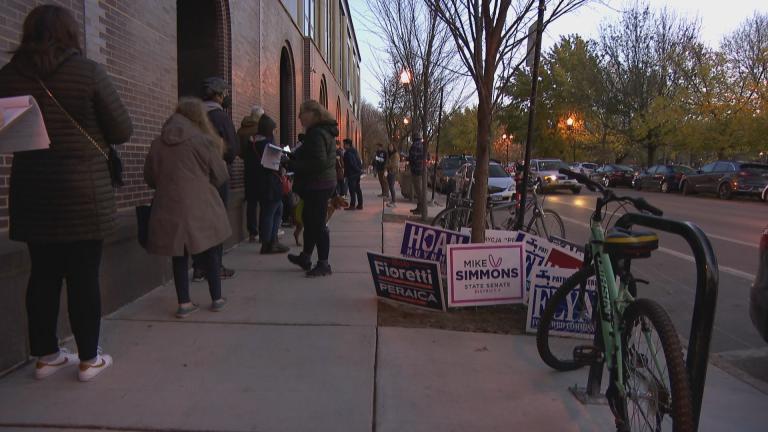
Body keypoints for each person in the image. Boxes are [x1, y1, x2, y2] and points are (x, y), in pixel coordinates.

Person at [0, 5, 132, 381]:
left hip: (32, 191)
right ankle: (89, 359)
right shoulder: (87, 72)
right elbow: (122, 129)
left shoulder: (8, 77)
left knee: (42, 275)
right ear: (70, 33)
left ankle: (46, 355)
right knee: (83, 276)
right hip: (82, 192)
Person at [144, 98, 231, 319]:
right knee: (211, 249)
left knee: (179, 255)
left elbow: (150, 178)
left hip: (169, 206)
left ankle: (184, 303)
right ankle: (217, 299)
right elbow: (221, 175)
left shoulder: (157, 143)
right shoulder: (203, 141)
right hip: (201, 204)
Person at [286, 100, 338, 277]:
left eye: (302, 112)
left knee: (317, 224)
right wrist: (293, 157)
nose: (299, 116)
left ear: (313, 114)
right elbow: (314, 157)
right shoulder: (319, 132)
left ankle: (324, 264)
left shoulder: (316, 133)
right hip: (321, 183)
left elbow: (318, 162)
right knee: (309, 221)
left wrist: (293, 164)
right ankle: (305, 257)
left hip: (319, 184)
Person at [192, 76, 237, 281]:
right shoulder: (221, 118)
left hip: (193, 176)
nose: (226, 96)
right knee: (217, 221)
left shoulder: (192, 116)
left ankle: (199, 266)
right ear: (218, 95)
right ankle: (215, 266)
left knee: (198, 220)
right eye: (225, 93)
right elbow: (231, 150)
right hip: (216, 176)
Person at [251, 114, 290, 254]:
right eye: (274, 129)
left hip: (261, 181)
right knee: (270, 212)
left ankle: (272, 240)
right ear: (269, 130)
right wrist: (283, 157)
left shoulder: (254, 142)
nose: (275, 132)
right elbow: (274, 164)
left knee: (277, 209)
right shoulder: (267, 144)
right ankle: (268, 243)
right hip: (270, 182)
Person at [237, 105, 265, 243]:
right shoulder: (261, 130)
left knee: (251, 202)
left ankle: (252, 232)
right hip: (262, 168)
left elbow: (238, 150)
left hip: (248, 168)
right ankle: (263, 230)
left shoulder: (241, 130)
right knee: (265, 202)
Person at [408, 132, 426, 215]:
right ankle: (420, 208)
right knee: (420, 190)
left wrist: (408, 158)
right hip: (421, 170)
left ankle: (421, 208)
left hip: (416, 170)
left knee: (419, 191)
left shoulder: (415, 145)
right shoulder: (422, 145)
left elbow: (413, 158)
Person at [343, 138, 363, 210]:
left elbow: (352, 164)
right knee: (357, 189)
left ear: (347, 145)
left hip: (352, 174)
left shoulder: (348, 153)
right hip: (356, 174)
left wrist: (358, 170)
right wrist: (359, 171)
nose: (343, 146)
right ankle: (360, 204)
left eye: (344, 144)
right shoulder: (354, 151)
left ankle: (352, 205)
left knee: (352, 190)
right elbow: (358, 162)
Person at [385, 143, 400, 208]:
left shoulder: (395, 155)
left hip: (393, 171)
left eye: (391, 146)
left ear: (394, 147)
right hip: (389, 171)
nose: (390, 148)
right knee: (390, 186)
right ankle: (393, 201)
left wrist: (387, 166)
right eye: (389, 147)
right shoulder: (390, 155)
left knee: (391, 186)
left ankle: (394, 201)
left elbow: (394, 164)